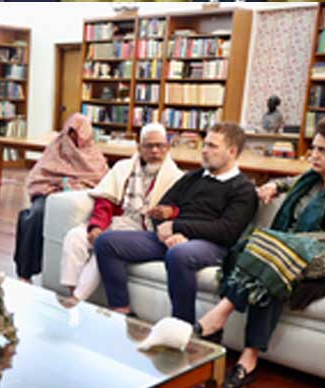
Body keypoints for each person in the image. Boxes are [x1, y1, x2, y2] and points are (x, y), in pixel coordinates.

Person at [196, 117, 325, 388]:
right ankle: (248, 360)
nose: (313, 155)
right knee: (263, 260)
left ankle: (220, 315)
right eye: (314, 148)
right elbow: (289, 182)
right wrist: (275, 186)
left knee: (274, 254)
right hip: (286, 256)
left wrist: (290, 240)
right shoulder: (310, 180)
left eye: (323, 150)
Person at [94, 122, 258, 322]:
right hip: (173, 240)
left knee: (180, 254)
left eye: (212, 146)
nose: (204, 151)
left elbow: (227, 231)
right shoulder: (193, 178)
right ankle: (121, 311)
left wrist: (179, 229)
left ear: (232, 151)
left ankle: (182, 326)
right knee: (107, 242)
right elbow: (160, 211)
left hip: (213, 245)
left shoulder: (244, 189)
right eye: (204, 144)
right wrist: (168, 232)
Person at [60, 123, 183, 304]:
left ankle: (76, 299)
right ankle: (71, 290)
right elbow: (106, 200)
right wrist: (97, 226)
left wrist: (169, 212)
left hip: (142, 231)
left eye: (160, 145)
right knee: (75, 237)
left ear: (168, 147)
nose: (155, 150)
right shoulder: (123, 168)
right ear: (139, 147)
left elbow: (182, 210)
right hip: (116, 221)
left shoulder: (177, 177)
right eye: (149, 146)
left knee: (104, 247)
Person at [13, 113, 109, 281]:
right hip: (48, 191)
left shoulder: (93, 155)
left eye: (78, 133)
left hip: (77, 196)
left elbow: (100, 181)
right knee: (35, 215)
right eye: (70, 132)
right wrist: (56, 186)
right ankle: (25, 272)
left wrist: (73, 186)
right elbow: (39, 175)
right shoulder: (56, 147)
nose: (73, 137)